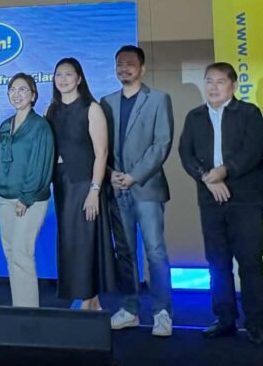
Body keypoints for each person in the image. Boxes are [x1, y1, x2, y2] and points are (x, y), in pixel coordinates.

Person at [178, 62, 263, 345]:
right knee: (217, 262)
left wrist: (224, 171)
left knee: (250, 262)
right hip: (210, 198)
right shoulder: (195, 116)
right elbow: (185, 153)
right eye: (209, 81)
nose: (213, 87)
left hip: (245, 199)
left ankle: (255, 323)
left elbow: (253, 151)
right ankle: (225, 319)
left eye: (220, 81)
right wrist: (208, 178)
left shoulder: (249, 113)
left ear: (233, 85)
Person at [101, 45, 175, 336]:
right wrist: (111, 174)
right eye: (120, 64)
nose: (124, 68)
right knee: (125, 251)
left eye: (130, 64)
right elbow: (101, 147)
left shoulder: (158, 99)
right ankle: (130, 309)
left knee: (155, 251)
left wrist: (133, 176)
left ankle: (162, 312)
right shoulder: (107, 102)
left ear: (142, 68)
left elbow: (162, 144)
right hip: (117, 188)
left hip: (147, 188)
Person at [45, 57, 115, 311]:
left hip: (85, 183)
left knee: (87, 240)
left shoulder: (91, 108)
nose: (62, 79)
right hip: (62, 184)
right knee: (70, 241)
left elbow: (102, 153)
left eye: (68, 74)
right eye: (58, 75)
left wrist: (94, 190)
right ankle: (86, 296)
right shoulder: (51, 111)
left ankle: (90, 296)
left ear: (79, 78)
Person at [0, 73, 54, 308]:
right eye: (12, 90)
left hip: (30, 200)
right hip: (4, 198)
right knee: (11, 253)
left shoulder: (40, 126)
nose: (16, 94)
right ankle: (19, 307)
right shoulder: (5, 125)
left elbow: (40, 165)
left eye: (23, 90)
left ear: (33, 95)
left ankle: (28, 312)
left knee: (22, 252)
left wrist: (26, 198)